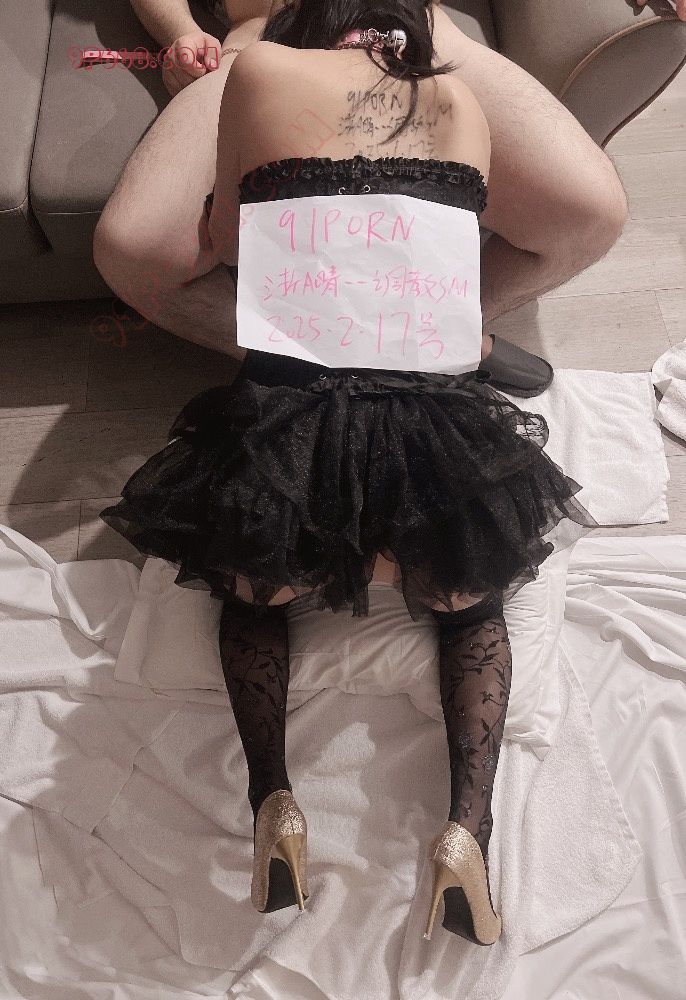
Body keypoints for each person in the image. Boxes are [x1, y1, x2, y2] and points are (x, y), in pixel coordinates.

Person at [99, 0, 599, 946]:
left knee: (255, 599)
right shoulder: (463, 101)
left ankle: (274, 800)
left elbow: (233, 243)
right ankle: (468, 829)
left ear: (302, 25)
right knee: (470, 610)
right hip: (428, 431)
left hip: (296, 430)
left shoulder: (258, 69)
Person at [93, 0, 635, 396]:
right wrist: (182, 31)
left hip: (411, 32)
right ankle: (322, 363)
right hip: (263, 41)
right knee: (133, 250)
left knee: (589, 214)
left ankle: (430, 341)